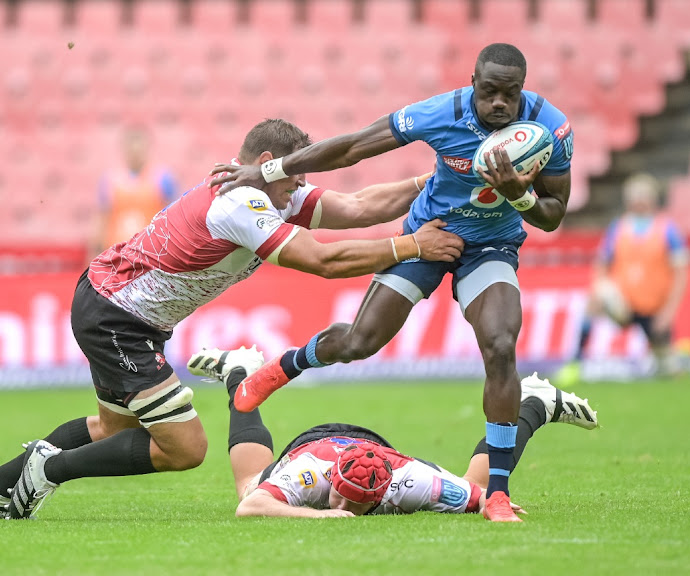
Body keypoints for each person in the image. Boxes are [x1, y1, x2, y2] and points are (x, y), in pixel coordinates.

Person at [0, 119, 463, 520]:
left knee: (111, 429)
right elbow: (322, 262)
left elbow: (356, 206)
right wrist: (414, 245)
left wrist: (433, 181)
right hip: (117, 317)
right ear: (268, 164)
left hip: (114, 305)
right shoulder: (242, 201)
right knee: (185, 448)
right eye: (298, 175)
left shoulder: (271, 192)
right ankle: (50, 470)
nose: (302, 189)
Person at [208, 43, 575, 521]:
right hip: (430, 234)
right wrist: (269, 170)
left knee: (501, 345)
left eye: (509, 94)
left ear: (522, 90)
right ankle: (282, 367)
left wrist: (519, 197)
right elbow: (355, 146)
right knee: (359, 342)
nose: (499, 104)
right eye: (489, 92)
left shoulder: (552, 129)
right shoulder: (442, 113)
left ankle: (499, 494)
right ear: (472, 83)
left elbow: (553, 214)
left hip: (492, 245)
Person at [187, 347, 598, 520]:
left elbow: (485, 496)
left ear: (382, 496)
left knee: (474, 486)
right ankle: (239, 370)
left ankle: (533, 404)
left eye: (352, 505)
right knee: (249, 487)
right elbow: (252, 508)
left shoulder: (410, 482)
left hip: (377, 449)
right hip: (316, 446)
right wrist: (318, 514)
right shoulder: (308, 474)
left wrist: (493, 502)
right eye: (341, 499)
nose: (343, 507)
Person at [556, 173, 690, 385]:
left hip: (653, 308)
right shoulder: (618, 228)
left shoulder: (667, 230)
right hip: (623, 303)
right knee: (594, 300)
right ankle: (575, 362)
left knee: (667, 369)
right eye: (634, 196)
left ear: (652, 199)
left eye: (643, 196)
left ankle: (677, 360)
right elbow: (602, 264)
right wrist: (598, 290)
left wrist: (668, 312)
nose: (638, 201)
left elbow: (681, 273)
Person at [89, 125, 178, 259]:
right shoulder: (110, 179)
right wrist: (94, 253)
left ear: (147, 148)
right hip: (117, 253)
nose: (135, 152)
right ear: (124, 149)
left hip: (152, 254)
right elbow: (102, 218)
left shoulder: (163, 178)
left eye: (139, 148)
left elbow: (173, 218)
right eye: (131, 148)